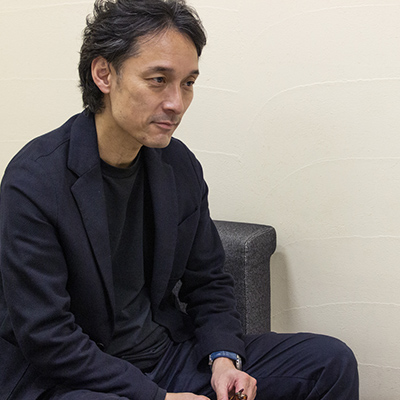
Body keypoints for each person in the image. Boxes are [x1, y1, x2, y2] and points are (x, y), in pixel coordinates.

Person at [0, 0, 359, 399]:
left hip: (167, 356)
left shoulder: (178, 164)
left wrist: (224, 359)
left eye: (188, 83)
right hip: (76, 377)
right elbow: (48, 336)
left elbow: (208, 282)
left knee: (329, 361)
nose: (176, 103)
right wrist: (158, 398)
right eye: (158, 80)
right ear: (104, 74)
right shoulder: (34, 180)